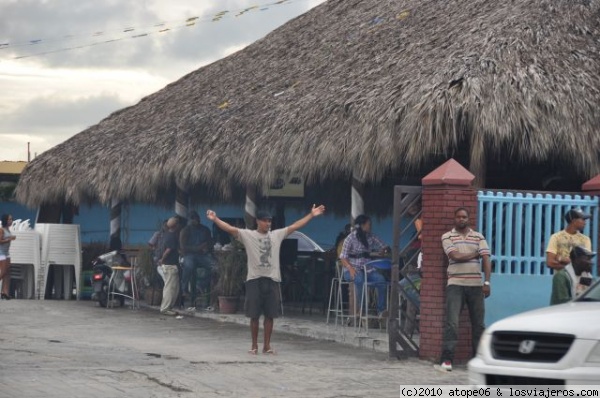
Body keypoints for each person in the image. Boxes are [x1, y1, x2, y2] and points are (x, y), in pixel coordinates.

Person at [206, 204, 325, 355]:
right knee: (254, 315)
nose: (268, 224)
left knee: (270, 315)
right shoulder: (248, 235)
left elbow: (295, 226)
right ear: (258, 221)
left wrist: (311, 215)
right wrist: (215, 218)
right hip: (254, 279)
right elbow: (230, 229)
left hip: (272, 279)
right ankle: (254, 345)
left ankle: (267, 345)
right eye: (265, 221)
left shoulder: (277, 234)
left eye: (270, 221)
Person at [437, 207, 491, 372]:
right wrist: (475, 255)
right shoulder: (447, 236)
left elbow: (486, 259)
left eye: (464, 217)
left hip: (476, 285)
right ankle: (447, 360)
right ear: (455, 219)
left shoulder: (478, 236)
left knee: (479, 325)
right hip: (455, 284)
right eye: (459, 217)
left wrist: (487, 282)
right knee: (452, 323)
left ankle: (477, 361)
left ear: (468, 218)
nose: (461, 219)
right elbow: (455, 256)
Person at [339, 215, 390, 321]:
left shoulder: (371, 237)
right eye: (368, 224)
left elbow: (384, 246)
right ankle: (362, 310)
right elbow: (343, 257)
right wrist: (350, 268)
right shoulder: (351, 237)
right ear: (362, 225)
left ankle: (381, 310)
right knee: (360, 279)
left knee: (381, 280)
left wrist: (383, 250)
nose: (370, 226)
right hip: (351, 270)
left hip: (368, 269)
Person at [179, 210, 216, 308]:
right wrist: (198, 247)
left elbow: (210, 243)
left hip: (202, 256)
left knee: (215, 266)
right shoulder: (185, 231)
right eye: (192, 218)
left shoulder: (205, 229)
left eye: (196, 218)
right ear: (189, 220)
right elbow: (183, 247)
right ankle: (184, 289)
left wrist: (208, 249)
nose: (195, 220)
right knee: (189, 266)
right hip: (189, 255)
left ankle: (201, 284)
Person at [158, 217, 181, 316]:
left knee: (174, 288)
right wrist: (162, 260)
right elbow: (168, 250)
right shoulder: (172, 236)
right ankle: (165, 308)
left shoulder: (166, 234)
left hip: (169, 265)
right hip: (169, 265)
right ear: (177, 226)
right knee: (169, 288)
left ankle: (169, 307)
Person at [0, 214, 16, 300]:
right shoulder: (1, 229)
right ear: (5, 220)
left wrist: (10, 238)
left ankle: (5, 292)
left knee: (8, 272)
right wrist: (9, 239)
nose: (11, 221)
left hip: (7, 253)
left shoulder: (8, 229)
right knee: (3, 271)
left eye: (11, 219)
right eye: (9, 219)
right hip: (1, 253)